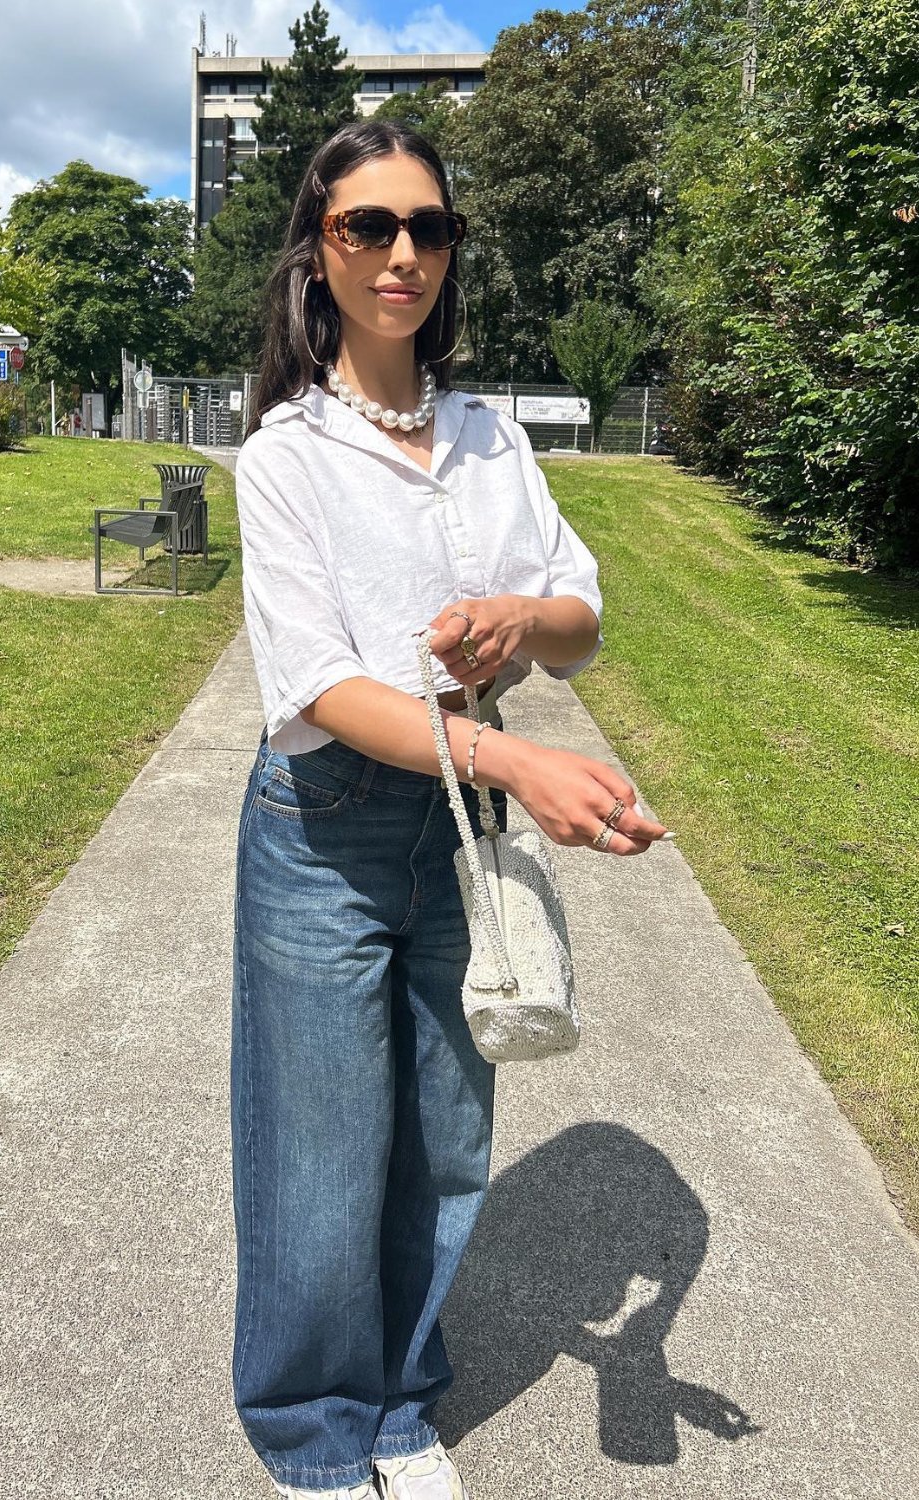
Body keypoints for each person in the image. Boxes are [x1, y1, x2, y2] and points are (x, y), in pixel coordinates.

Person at [231, 119, 670, 1500]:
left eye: (429, 227)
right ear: (322, 249)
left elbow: (582, 620)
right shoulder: (286, 455)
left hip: (461, 837)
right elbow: (313, 682)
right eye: (370, 226)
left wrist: (519, 618)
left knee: (448, 1139)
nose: (403, 253)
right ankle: (313, 1434)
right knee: (321, 1158)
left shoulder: (488, 439)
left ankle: (406, 1403)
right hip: (324, 830)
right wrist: (520, 765)